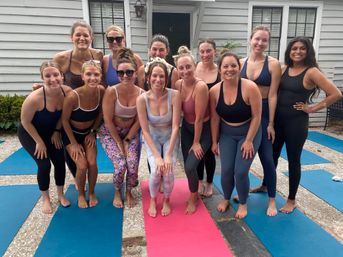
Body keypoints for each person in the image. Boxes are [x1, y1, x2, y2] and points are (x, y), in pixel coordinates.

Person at [273, 36, 342, 214]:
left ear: (308, 51)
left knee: (293, 161)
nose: (297, 51)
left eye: (302, 48)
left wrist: (312, 108)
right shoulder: (283, 68)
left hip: (296, 123)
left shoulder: (311, 72)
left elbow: (335, 93)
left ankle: (291, 199)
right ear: (289, 51)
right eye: (294, 48)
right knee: (271, 157)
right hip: (277, 121)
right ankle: (266, 185)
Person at [210, 50, 262, 219]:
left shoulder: (250, 87)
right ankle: (226, 198)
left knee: (240, 172)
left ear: (239, 68)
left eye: (233, 65)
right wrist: (214, 141)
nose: (229, 69)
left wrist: (249, 141)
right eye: (225, 66)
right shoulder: (215, 91)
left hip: (249, 132)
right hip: (227, 134)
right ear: (220, 69)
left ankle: (243, 202)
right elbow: (215, 119)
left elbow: (256, 117)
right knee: (226, 171)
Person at [18, 61, 72, 214]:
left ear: (62, 76)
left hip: (52, 132)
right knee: (44, 165)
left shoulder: (67, 92)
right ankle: (46, 198)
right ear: (42, 78)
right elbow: (25, 122)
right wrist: (39, 142)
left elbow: (65, 114)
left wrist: (56, 131)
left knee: (60, 162)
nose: (52, 78)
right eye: (47, 76)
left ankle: (61, 195)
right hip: (30, 133)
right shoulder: (34, 98)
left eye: (56, 74)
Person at [239, 26, 281, 216]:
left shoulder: (273, 64)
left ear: (268, 43)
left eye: (264, 40)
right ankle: (242, 195)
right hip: (244, 115)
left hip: (263, 115)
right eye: (257, 39)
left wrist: (271, 123)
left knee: (267, 159)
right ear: (250, 39)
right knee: (242, 159)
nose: (260, 43)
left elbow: (273, 95)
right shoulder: (240, 63)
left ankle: (272, 200)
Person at [53, 20, 103, 179]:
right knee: (74, 152)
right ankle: (77, 177)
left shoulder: (98, 55)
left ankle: (87, 181)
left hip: (89, 110)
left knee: (90, 157)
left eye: (86, 35)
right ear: (71, 37)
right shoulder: (61, 58)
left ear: (91, 37)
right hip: (68, 109)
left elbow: (101, 81)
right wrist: (41, 88)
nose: (82, 38)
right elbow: (54, 80)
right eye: (78, 35)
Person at [99, 48, 143, 208]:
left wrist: (128, 140)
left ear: (135, 74)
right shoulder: (111, 92)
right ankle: (117, 190)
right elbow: (108, 120)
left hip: (129, 133)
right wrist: (119, 142)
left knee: (132, 164)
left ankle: (129, 191)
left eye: (129, 72)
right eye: (121, 72)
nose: (125, 76)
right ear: (117, 74)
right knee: (120, 165)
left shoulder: (141, 94)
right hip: (110, 133)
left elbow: (139, 120)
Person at [136, 60, 181, 217]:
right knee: (155, 170)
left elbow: (176, 126)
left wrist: (167, 155)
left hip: (170, 135)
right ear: (148, 78)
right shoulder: (142, 99)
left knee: (168, 171)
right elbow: (145, 130)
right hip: (152, 136)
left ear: (166, 79)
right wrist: (157, 156)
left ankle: (167, 199)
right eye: (154, 76)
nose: (158, 80)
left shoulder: (174, 95)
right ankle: (154, 200)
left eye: (161, 76)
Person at [61, 60, 105, 208]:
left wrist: (94, 131)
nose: (92, 78)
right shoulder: (73, 96)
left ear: (100, 76)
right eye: (89, 74)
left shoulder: (101, 91)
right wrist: (73, 143)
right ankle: (81, 194)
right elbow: (64, 120)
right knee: (82, 165)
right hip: (71, 134)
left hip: (88, 133)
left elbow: (100, 113)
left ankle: (91, 192)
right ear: (82, 76)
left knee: (92, 163)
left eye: (96, 74)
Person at [174, 46, 211, 214]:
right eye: (181, 67)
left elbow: (198, 118)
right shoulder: (178, 84)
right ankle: (194, 190)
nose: (185, 70)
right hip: (187, 128)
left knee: (189, 166)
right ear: (177, 69)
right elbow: (177, 110)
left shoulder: (201, 87)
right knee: (190, 166)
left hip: (203, 129)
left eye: (188, 66)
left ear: (194, 66)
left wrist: (196, 142)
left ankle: (194, 197)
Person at [194, 38, 221, 197]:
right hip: (197, 119)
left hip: (214, 119)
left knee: (210, 152)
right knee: (198, 152)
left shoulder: (220, 71)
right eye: (202, 51)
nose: (205, 54)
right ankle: (199, 181)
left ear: (214, 51)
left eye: (208, 51)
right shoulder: (194, 69)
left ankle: (209, 182)